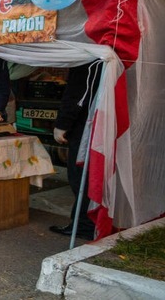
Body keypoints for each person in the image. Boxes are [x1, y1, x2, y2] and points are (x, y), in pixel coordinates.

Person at [49, 61, 103, 241]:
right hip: (98, 122)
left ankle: (84, 225)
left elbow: (77, 94)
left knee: (80, 176)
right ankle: (85, 222)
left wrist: (63, 124)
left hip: (85, 127)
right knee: (86, 175)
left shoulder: (87, 61)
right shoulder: (103, 57)